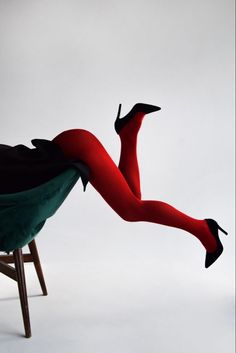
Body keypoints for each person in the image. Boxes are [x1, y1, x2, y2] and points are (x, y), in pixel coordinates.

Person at [0, 103, 227, 267]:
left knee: (131, 210)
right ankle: (128, 133)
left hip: (75, 147)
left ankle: (203, 229)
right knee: (133, 199)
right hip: (73, 145)